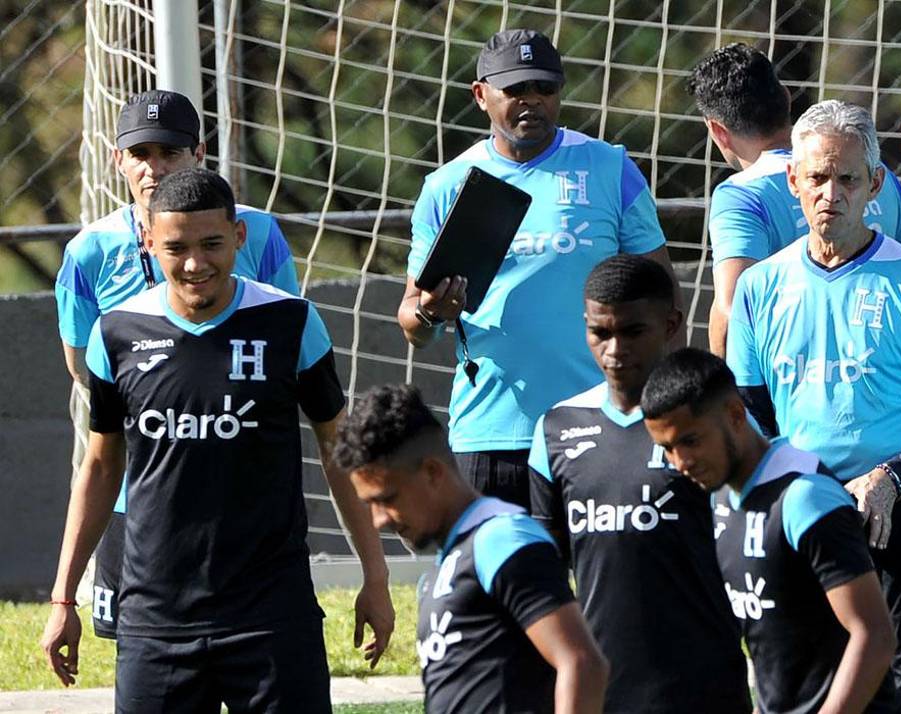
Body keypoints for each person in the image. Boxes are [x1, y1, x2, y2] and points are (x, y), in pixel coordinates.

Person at [39, 169, 393, 713]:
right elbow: (101, 466)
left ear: (239, 238)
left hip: (273, 613)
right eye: (176, 247)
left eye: (211, 244)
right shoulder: (116, 332)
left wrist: (375, 574)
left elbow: (337, 450)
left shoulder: (290, 322)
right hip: (156, 618)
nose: (194, 264)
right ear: (149, 243)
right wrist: (64, 597)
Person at [724, 99, 901, 712]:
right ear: (793, 182)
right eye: (815, 178)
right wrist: (793, 487)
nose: (829, 193)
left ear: (875, 185)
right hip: (801, 512)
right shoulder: (758, 289)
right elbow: (747, 413)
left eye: (846, 179)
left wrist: (894, 477)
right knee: (808, 686)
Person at [397, 29, 679, 510]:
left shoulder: (609, 167)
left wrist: (661, 400)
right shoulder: (447, 187)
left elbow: (664, 297)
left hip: (601, 421)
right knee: (500, 582)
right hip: (491, 431)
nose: (532, 102)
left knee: (600, 581)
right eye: (516, 90)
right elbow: (413, 325)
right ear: (481, 94)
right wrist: (429, 311)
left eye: (544, 89)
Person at [53, 89, 299, 640]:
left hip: (243, 486)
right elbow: (84, 371)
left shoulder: (257, 232)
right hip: (138, 487)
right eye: (140, 154)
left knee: (260, 643)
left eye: (170, 152)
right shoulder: (88, 251)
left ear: (200, 153)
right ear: (118, 160)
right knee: (141, 649)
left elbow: (287, 340)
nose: (154, 168)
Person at [528, 255, 752, 713]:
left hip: (704, 690)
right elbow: (546, 571)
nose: (615, 350)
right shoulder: (556, 428)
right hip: (603, 689)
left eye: (633, 332)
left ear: (671, 324)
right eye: (600, 333)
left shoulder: (711, 424)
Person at [641, 348, 901, 714]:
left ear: (734, 415)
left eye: (691, 441)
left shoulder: (805, 497)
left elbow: (874, 636)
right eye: (667, 449)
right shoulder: (721, 500)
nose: (680, 462)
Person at [334, 383, 609, 714]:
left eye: (386, 499)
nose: (378, 520)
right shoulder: (448, 562)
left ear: (432, 472)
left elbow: (582, 663)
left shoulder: (504, 541)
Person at [685, 43, 901, 357]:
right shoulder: (874, 176)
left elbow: (732, 313)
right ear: (786, 98)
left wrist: (731, 403)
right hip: (893, 381)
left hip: (801, 389)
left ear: (717, 130)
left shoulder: (741, 195)